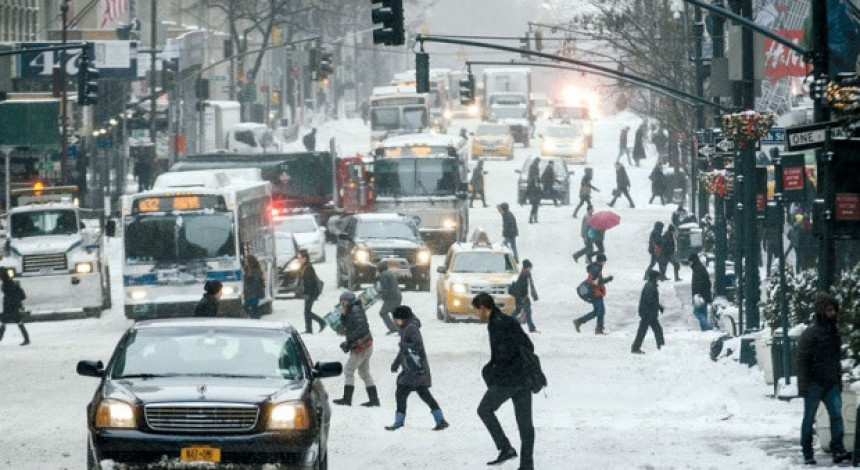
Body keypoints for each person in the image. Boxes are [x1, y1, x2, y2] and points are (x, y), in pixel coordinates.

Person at [472, 292, 536, 470]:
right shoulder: (509, 320)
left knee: (484, 410)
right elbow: (529, 346)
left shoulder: (496, 324)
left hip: (509, 380)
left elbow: (502, 354)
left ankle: (505, 447)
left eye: (476, 310)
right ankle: (527, 465)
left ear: (484, 308)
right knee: (525, 425)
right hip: (524, 378)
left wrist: (494, 371)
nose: (476, 314)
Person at [797, 292, 851, 465]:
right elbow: (802, 361)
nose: (832, 313)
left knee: (835, 416)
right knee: (810, 418)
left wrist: (837, 379)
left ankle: (838, 449)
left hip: (829, 382)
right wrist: (804, 385)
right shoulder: (811, 334)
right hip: (815, 383)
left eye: (833, 309)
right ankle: (808, 452)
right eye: (829, 310)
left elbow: (835, 359)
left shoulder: (833, 333)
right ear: (821, 312)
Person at [385, 306, 449, 431]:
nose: (395, 322)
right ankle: (440, 419)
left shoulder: (411, 328)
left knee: (401, 393)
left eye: (396, 319)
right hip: (414, 369)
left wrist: (404, 345)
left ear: (402, 318)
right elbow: (404, 350)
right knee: (424, 394)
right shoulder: (406, 327)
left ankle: (399, 421)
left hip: (414, 369)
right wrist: (396, 363)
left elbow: (417, 345)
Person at [333, 291, 378, 407]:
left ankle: (347, 399)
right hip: (365, 346)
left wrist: (349, 342)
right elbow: (347, 326)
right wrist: (343, 315)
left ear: (348, 302)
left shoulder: (355, 311)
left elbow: (360, 329)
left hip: (361, 347)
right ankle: (374, 400)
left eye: (343, 303)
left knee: (348, 370)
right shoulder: (353, 309)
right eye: (340, 303)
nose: (341, 305)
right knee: (364, 372)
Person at [573, 253, 614, 335]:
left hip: (595, 292)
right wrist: (608, 279)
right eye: (604, 261)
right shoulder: (596, 269)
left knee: (598, 311)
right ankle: (597, 329)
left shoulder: (596, 267)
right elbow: (596, 282)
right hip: (595, 293)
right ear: (602, 261)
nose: (604, 263)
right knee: (600, 311)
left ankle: (581, 322)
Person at [631, 270, 665, 354]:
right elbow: (651, 301)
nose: (659, 278)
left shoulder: (650, 285)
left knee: (643, 331)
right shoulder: (651, 287)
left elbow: (651, 300)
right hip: (648, 313)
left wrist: (658, 307)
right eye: (658, 277)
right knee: (657, 330)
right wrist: (658, 307)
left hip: (646, 312)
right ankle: (661, 347)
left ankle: (635, 347)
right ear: (655, 277)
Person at [298, 250, 326, 334]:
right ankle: (309, 329)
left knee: (307, 311)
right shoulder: (304, 267)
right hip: (309, 293)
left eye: (301, 258)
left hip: (311, 293)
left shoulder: (308, 268)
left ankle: (321, 322)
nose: (299, 260)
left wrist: (307, 293)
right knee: (307, 311)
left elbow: (309, 282)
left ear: (305, 259)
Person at [0, 269, 29, 346]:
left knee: (4, 322)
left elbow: (9, 296)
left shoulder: (6, 284)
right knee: (18, 322)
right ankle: (27, 339)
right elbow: (20, 295)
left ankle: (27, 339)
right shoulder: (12, 282)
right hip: (15, 306)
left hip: (9, 306)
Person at [510, 259, 539, 333]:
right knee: (527, 312)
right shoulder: (523, 276)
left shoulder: (525, 275)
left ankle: (507, 323)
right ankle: (531, 328)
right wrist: (521, 298)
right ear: (526, 268)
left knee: (518, 311)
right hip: (522, 298)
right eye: (530, 268)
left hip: (522, 297)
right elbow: (520, 288)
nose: (531, 269)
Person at [376, 262, 402, 335]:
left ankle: (393, 328)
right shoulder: (390, 273)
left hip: (392, 297)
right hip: (397, 296)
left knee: (383, 312)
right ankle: (400, 330)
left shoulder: (383, 275)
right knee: (394, 312)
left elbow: (385, 288)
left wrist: (383, 297)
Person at [689, 253, 712, 331]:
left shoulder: (697, 269)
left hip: (699, 294)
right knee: (703, 312)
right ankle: (704, 329)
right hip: (704, 293)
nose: (689, 263)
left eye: (690, 261)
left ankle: (707, 326)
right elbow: (707, 282)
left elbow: (697, 283)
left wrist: (697, 294)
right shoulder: (700, 267)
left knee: (697, 312)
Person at [242, 255, 266, 319]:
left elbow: (256, 281)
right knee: (247, 307)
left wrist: (250, 278)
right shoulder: (246, 270)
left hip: (254, 293)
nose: (245, 262)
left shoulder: (256, 271)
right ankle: (253, 317)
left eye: (246, 261)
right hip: (248, 293)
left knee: (253, 307)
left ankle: (255, 319)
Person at [526, 158, 542, 223]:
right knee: (535, 206)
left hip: (534, 191)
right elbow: (534, 176)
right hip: (534, 192)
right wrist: (536, 180)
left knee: (535, 206)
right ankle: (532, 218)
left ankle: (533, 218)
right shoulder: (533, 166)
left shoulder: (534, 166)